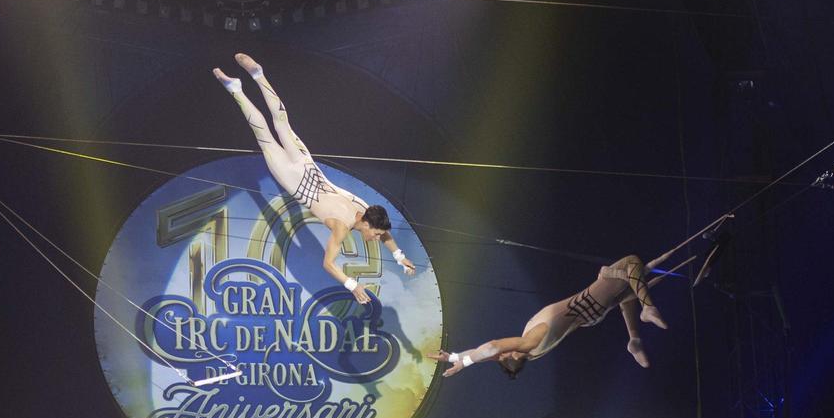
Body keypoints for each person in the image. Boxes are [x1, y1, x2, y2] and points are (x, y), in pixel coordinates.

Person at [213, 53, 415, 304]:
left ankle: (250, 79)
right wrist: (352, 285)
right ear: (366, 224)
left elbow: (385, 234)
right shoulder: (342, 227)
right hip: (295, 177)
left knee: (277, 126)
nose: (376, 239)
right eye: (375, 234)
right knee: (268, 130)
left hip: (304, 166)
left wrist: (399, 257)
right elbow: (328, 264)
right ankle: (242, 85)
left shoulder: (366, 208)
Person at [428, 254, 667, 376]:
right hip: (589, 302)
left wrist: (454, 357)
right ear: (513, 355)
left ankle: (634, 340)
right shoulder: (528, 344)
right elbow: (491, 347)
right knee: (631, 263)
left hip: (591, 315)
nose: (500, 353)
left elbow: (488, 354)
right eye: (503, 355)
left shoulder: (531, 354)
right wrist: (465, 363)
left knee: (628, 294)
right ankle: (647, 309)